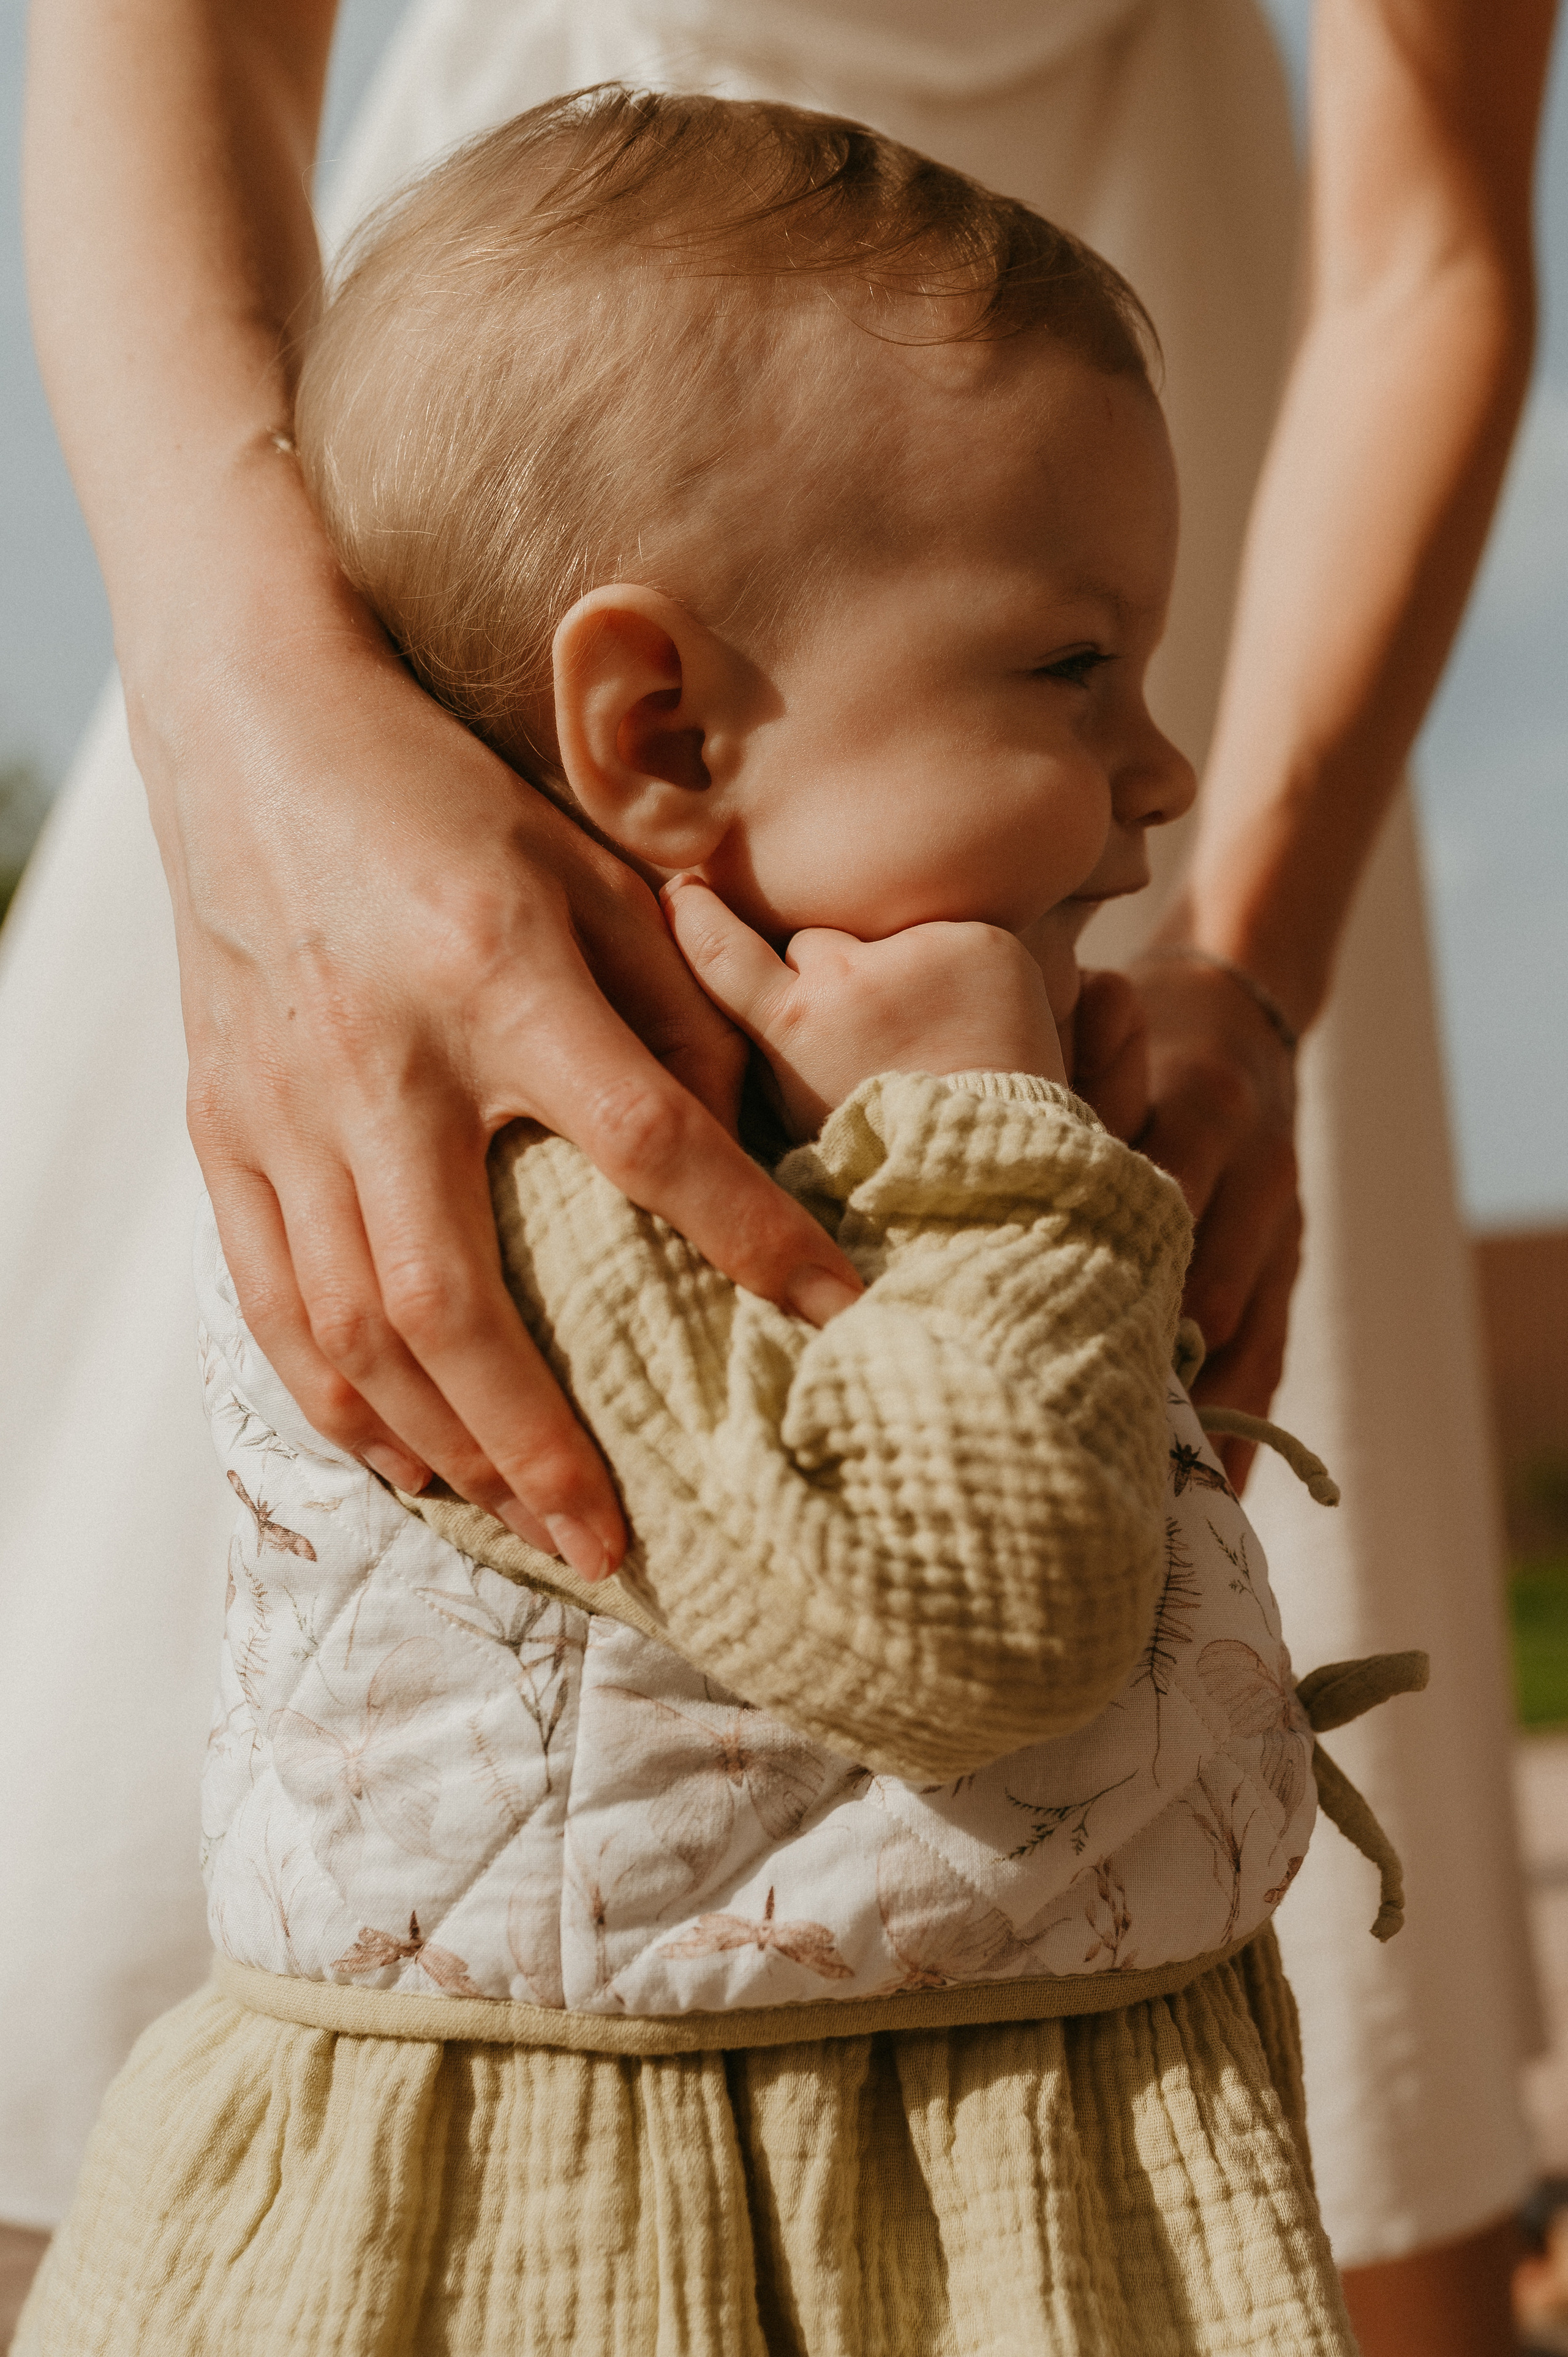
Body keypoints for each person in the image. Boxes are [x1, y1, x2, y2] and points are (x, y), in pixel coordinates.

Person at [6, 2, 1554, 2348]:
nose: (1169, 779)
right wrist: (266, 718)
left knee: (1376, 2156)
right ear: (648, 734)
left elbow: (1433, 243)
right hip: (561, 371)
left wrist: (1249, 967)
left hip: (1069, 413)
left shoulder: (1073, 790)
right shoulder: (616, 1165)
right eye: (1106, 704)